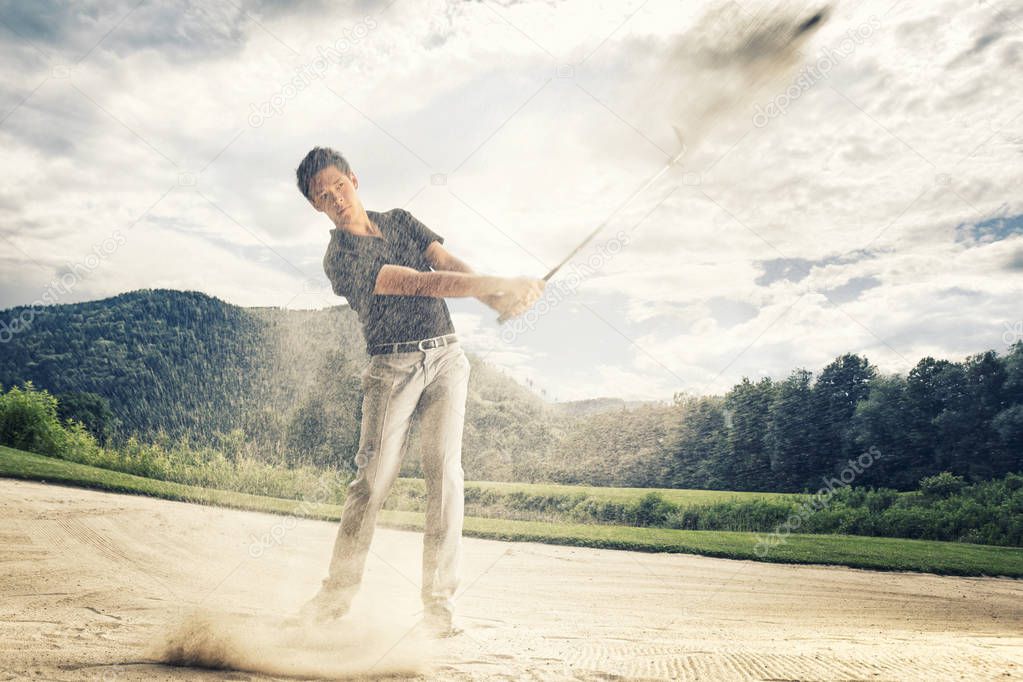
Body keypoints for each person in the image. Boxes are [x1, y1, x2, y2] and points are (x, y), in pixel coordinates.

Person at [292, 147, 544, 638]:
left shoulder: (402, 220)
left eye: (338, 186)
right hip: (392, 368)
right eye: (323, 196)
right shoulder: (339, 258)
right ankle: (335, 597)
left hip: (448, 358)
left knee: (446, 476)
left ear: (354, 180)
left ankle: (438, 607)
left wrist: (500, 296)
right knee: (371, 483)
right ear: (316, 207)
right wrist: (499, 284)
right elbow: (415, 284)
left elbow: (445, 262)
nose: (336, 199)